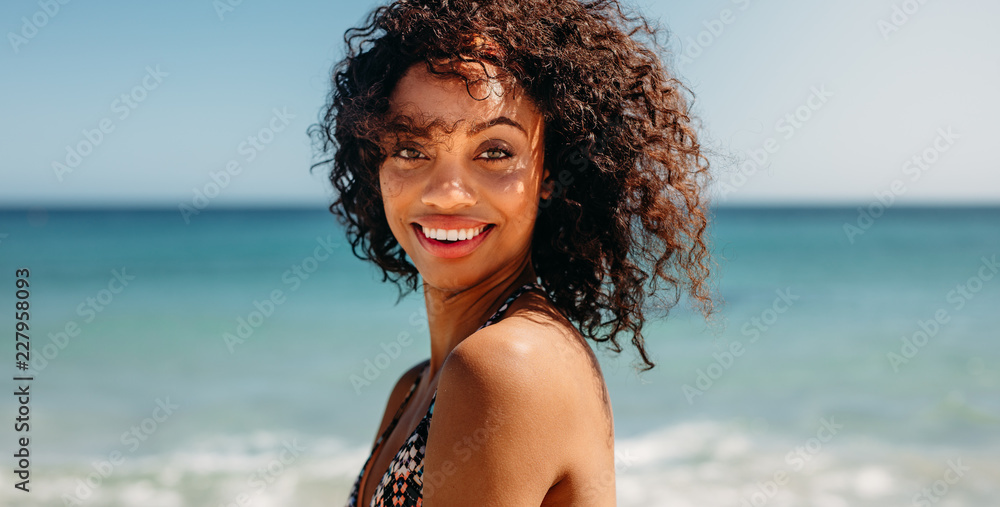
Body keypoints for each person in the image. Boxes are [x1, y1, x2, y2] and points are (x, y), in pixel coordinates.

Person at [311, 0, 715, 504]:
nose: (447, 193)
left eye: (495, 152)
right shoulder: (414, 387)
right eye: (411, 149)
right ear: (377, 163)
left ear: (549, 172)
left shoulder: (503, 367)